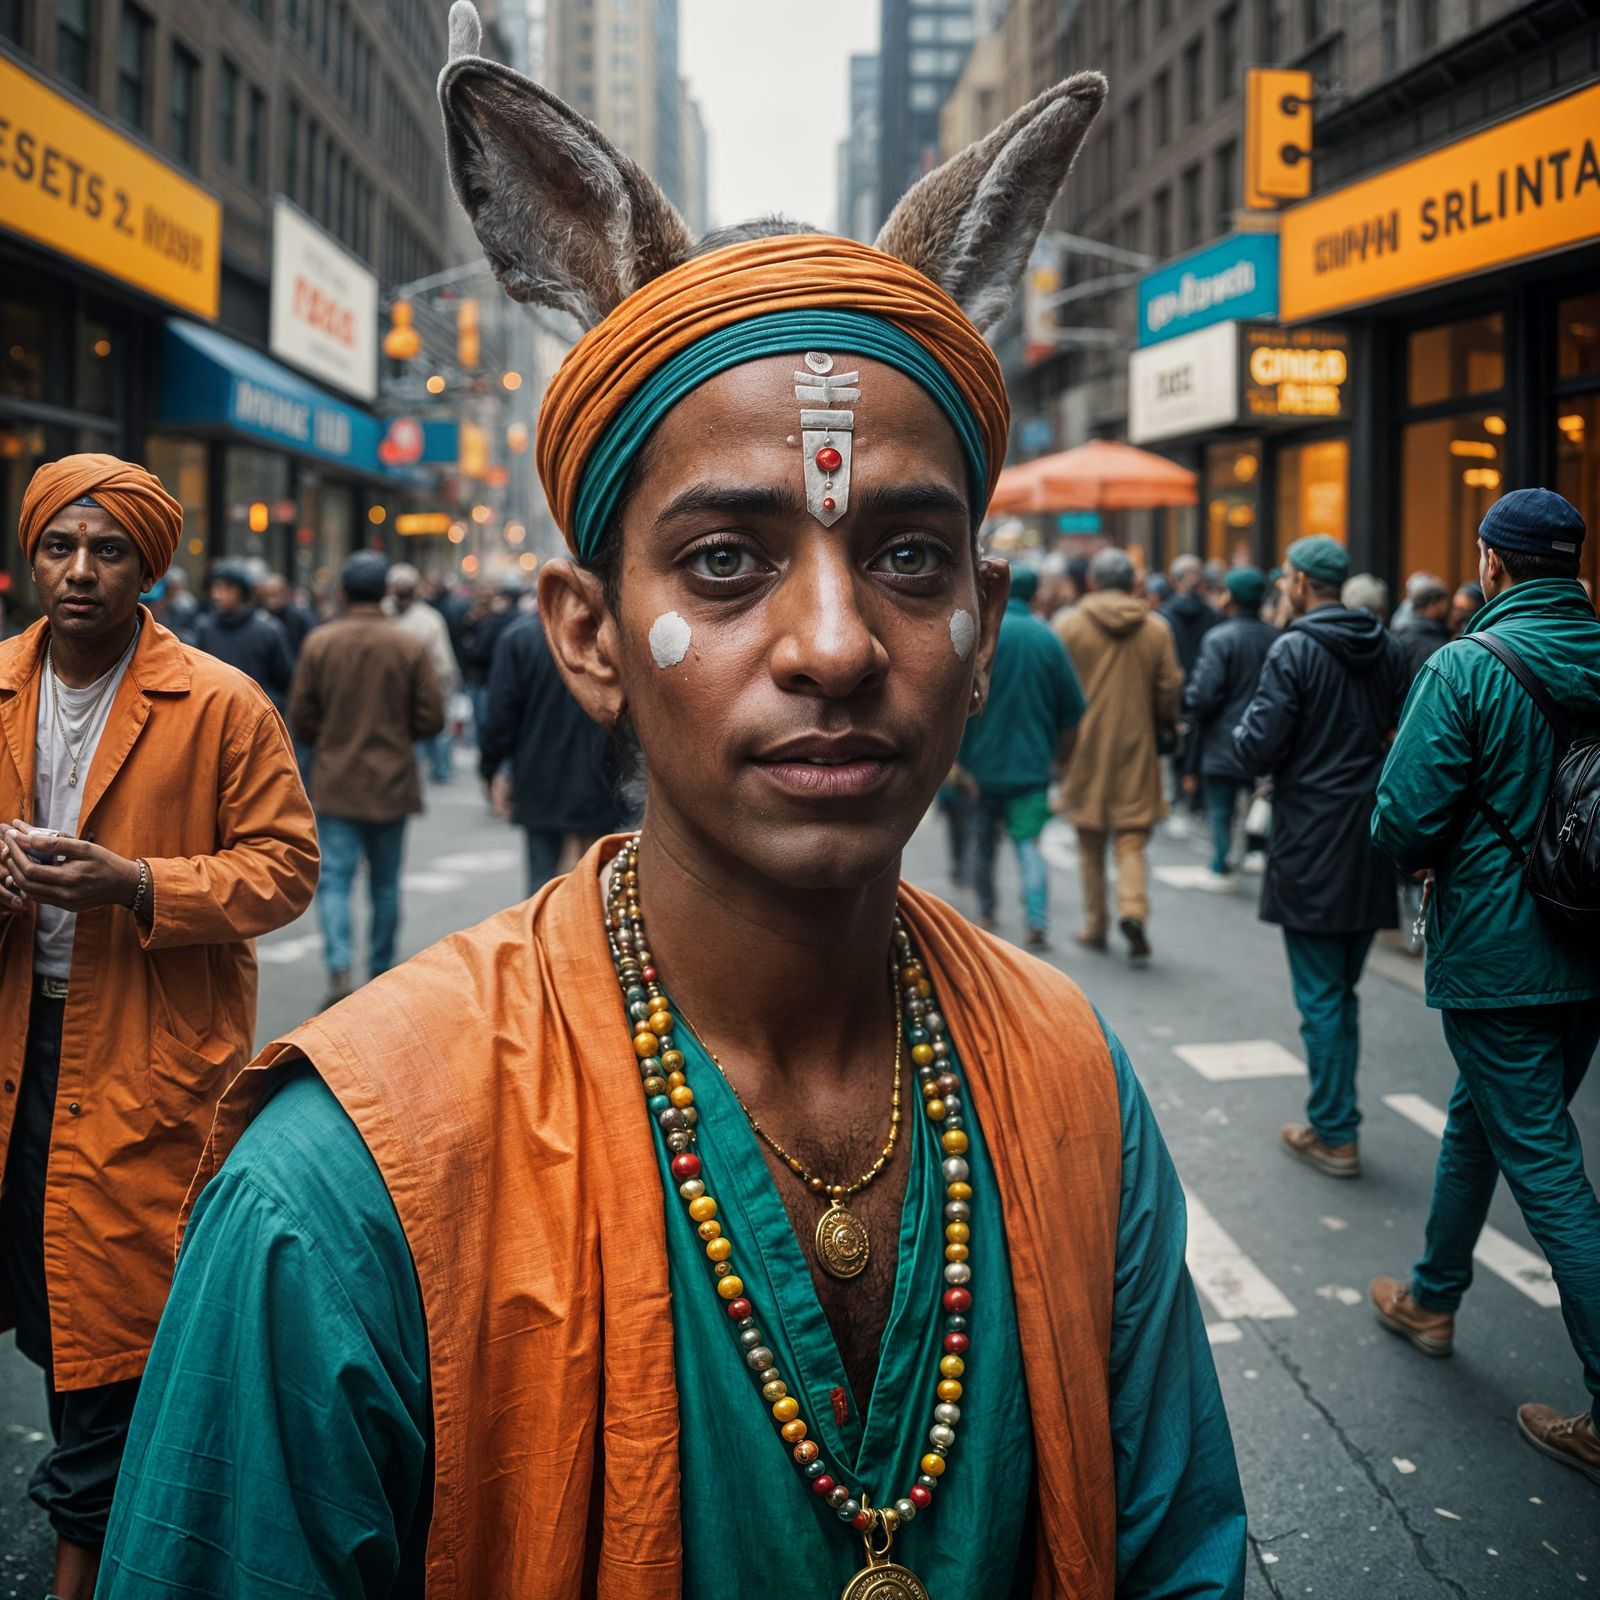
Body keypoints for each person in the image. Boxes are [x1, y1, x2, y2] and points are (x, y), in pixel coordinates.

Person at [98, 28, 1246, 1596]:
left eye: (909, 557)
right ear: (583, 635)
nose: (837, 645)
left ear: (982, 625)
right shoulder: (342, 1194)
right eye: (725, 560)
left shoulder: (1074, 1095)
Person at [0, 455, 317, 1598]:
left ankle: (91, 1566)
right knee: (41, 1298)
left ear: (148, 568)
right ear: (32, 553)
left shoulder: (222, 702)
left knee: (112, 1330)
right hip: (9, 1053)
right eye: (59, 547)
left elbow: (285, 871)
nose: (80, 571)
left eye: (108, 551)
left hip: (137, 1064)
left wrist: (134, 883)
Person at [1368, 488, 1600, 1485]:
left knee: (1546, 1173)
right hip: (1586, 942)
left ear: (1493, 566)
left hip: (1500, 953)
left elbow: (1403, 817)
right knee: (1488, 1114)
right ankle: (1431, 1293)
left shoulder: (1465, 665)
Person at [1233, 535, 1408, 1180]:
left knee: (1321, 998)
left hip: (1311, 837)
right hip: (1370, 835)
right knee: (1341, 991)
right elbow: (1402, 727)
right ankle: (1337, 1117)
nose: (1281, 588)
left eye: (1286, 579)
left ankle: (1336, 1131)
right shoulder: (1385, 645)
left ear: (1304, 583)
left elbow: (1258, 748)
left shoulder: (1295, 648)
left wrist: (1243, 733)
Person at [289, 552, 444, 1006]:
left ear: (341, 593)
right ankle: (379, 971)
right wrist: (398, 734)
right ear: (384, 594)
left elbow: (302, 717)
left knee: (335, 879)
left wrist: (332, 738)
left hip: (337, 780)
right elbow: (431, 718)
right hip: (392, 781)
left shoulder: (320, 643)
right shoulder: (407, 645)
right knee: (385, 882)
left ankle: (339, 966)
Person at [1056, 547, 1184, 961]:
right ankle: (1133, 909)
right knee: (1130, 839)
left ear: (1092, 582)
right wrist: (1164, 720)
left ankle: (1095, 925)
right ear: (1133, 583)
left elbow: (1057, 689)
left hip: (1084, 747)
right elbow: (1169, 689)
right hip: (1136, 743)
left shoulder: (1070, 625)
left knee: (1089, 841)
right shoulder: (1155, 628)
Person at [954, 564, 1085, 946]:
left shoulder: (983, 637)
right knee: (1029, 845)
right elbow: (1073, 709)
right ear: (1035, 595)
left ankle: (987, 912)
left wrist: (960, 762)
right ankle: (1037, 920)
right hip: (1031, 768)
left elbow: (956, 703)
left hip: (982, 766)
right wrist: (1061, 760)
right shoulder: (1048, 640)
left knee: (983, 843)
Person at [478, 607, 629, 893]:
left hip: (540, 773)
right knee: (598, 881)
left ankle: (544, 936)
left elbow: (499, 716)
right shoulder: (610, 635)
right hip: (600, 773)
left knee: (542, 884)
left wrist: (491, 768)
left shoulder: (520, 637)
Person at [1181, 566, 1275, 884]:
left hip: (1222, 736)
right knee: (1259, 796)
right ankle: (1255, 851)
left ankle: (1220, 862)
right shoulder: (1277, 637)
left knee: (1220, 805)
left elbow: (1203, 695)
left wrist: (1192, 703)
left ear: (1229, 597)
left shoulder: (1220, 638)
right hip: (1265, 735)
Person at [388, 561, 461, 784]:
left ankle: (437, 768)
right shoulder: (383, 615)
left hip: (416, 687)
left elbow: (443, 659)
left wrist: (447, 680)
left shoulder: (429, 619)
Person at [194, 559, 294, 712]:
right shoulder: (204, 628)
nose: (218, 595)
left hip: (255, 717)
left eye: (227, 587)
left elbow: (285, 682)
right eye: (216, 586)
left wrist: (262, 705)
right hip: (213, 715)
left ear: (243, 592)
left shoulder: (268, 630)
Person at [1389, 573, 1452, 685]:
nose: (1450, 611)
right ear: (1433, 605)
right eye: (1444, 603)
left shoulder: (1396, 637)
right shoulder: (1437, 645)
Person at [256, 571, 318, 663]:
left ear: (285, 593)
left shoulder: (300, 618)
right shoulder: (258, 617)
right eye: (266, 595)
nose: (270, 600)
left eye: (274, 594)